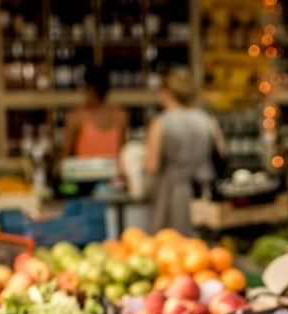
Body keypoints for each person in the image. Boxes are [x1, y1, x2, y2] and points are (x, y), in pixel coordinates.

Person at [143, 66, 226, 235]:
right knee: (203, 244)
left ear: (167, 92)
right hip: (204, 191)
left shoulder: (161, 122)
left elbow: (151, 165)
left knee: (173, 245)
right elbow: (222, 153)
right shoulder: (206, 119)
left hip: (172, 194)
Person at [59, 66, 128, 188]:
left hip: (87, 185)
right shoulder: (120, 116)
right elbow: (123, 155)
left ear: (90, 89)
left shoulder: (76, 117)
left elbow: (65, 156)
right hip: (113, 184)